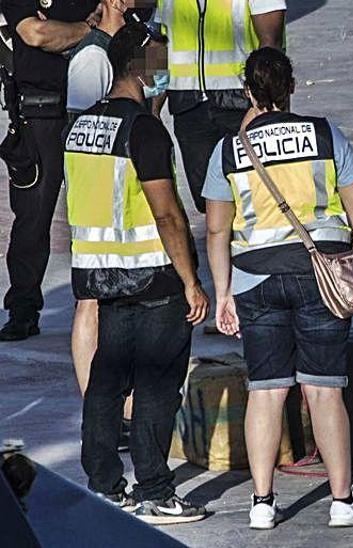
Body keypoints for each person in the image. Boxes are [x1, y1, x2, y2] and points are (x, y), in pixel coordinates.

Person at [203, 47, 353, 530]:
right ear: (292, 87)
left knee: (266, 391)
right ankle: (343, 502)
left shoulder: (227, 151)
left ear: (247, 92)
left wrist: (223, 293)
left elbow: (217, 230)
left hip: (254, 280)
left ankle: (261, 503)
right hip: (320, 275)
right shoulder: (324, 133)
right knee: (324, 391)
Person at [69, 22, 207, 524]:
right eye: (160, 62)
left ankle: (104, 485)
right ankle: (155, 489)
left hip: (100, 275)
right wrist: (191, 280)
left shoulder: (81, 125)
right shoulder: (144, 129)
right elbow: (167, 213)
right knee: (155, 387)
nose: (166, 73)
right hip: (152, 277)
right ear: (139, 65)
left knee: (106, 380)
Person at [65, 0, 160, 454]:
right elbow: (85, 131)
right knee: (90, 300)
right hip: (98, 188)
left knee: (107, 303)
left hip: (116, 186)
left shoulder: (120, 52)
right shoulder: (91, 58)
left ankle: (114, 410)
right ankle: (97, 407)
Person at [0, 0, 97, 341]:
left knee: (99, 211)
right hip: (40, 111)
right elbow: (36, 34)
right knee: (33, 214)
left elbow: (131, 25)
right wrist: (90, 29)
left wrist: (62, 32)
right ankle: (23, 308)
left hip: (96, 107)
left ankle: (98, 300)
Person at [154, 0, 284, 213]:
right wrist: (153, 104)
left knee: (255, 191)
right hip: (187, 104)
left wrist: (262, 102)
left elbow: (270, 43)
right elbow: (160, 43)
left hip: (241, 102)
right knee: (207, 200)